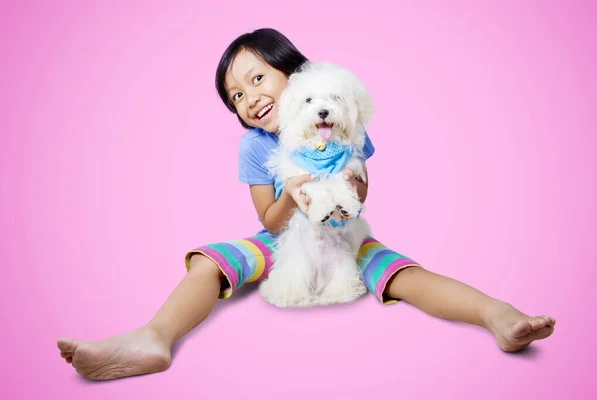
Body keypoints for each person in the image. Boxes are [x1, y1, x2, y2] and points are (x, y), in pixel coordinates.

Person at [57, 28, 555, 381]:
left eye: (256, 79)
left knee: (403, 274)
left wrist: (347, 188)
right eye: (235, 95)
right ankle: (154, 337)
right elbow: (267, 220)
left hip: (345, 233)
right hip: (278, 239)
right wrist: (294, 193)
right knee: (209, 263)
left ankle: (497, 315)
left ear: (294, 74)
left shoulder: (341, 123)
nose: (249, 98)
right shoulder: (256, 147)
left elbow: (360, 196)